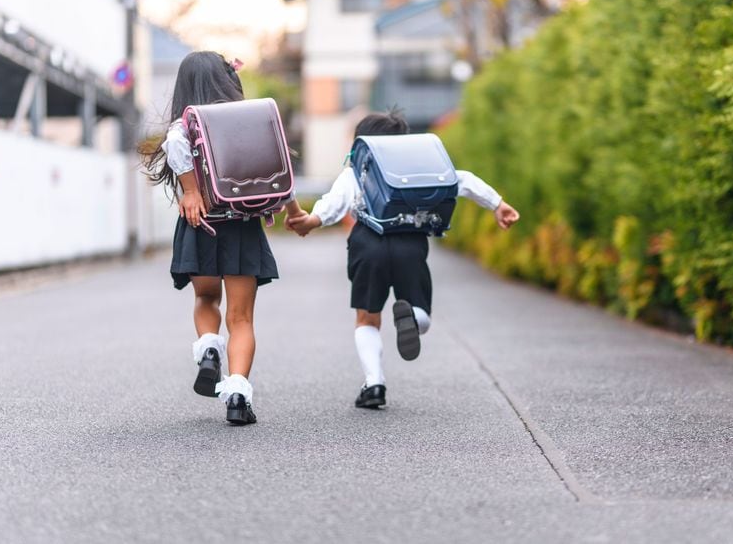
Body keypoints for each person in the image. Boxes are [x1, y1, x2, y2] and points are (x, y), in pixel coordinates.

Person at [286, 110, 519, 409]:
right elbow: (462, 180)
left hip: (367, 242)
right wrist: (498, 204)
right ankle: (413, 317)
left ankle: (374, 383)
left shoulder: (358, 169)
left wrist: (312, 221)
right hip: (410, 241)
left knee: (367, 317)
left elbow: (334, 203)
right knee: (420, 311)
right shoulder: (420, 168)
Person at [139, 51, 307, 425]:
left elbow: (174, 144)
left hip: (201, 224)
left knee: (205, 297)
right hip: (243, 226)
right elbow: (277, 164)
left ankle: (209, 349)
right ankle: (236, 395)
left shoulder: (186, 124)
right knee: (242, 318)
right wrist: (294, 213)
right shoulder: (253, 120)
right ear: (229, 82)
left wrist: (190, 190)